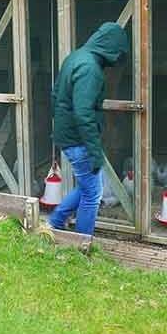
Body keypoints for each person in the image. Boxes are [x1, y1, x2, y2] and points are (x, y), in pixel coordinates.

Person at [48, 21, 129, 235]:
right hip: (78, 140)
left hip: (68, 136)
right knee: (93, 194)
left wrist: (59, 130)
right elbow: (83, 113)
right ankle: (82, 242)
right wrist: (94, 152)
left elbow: (55, 95)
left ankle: (55, 222)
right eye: (118, 53)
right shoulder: (90, 69)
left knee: (87, 185)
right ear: (111, 48)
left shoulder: (75, 57)